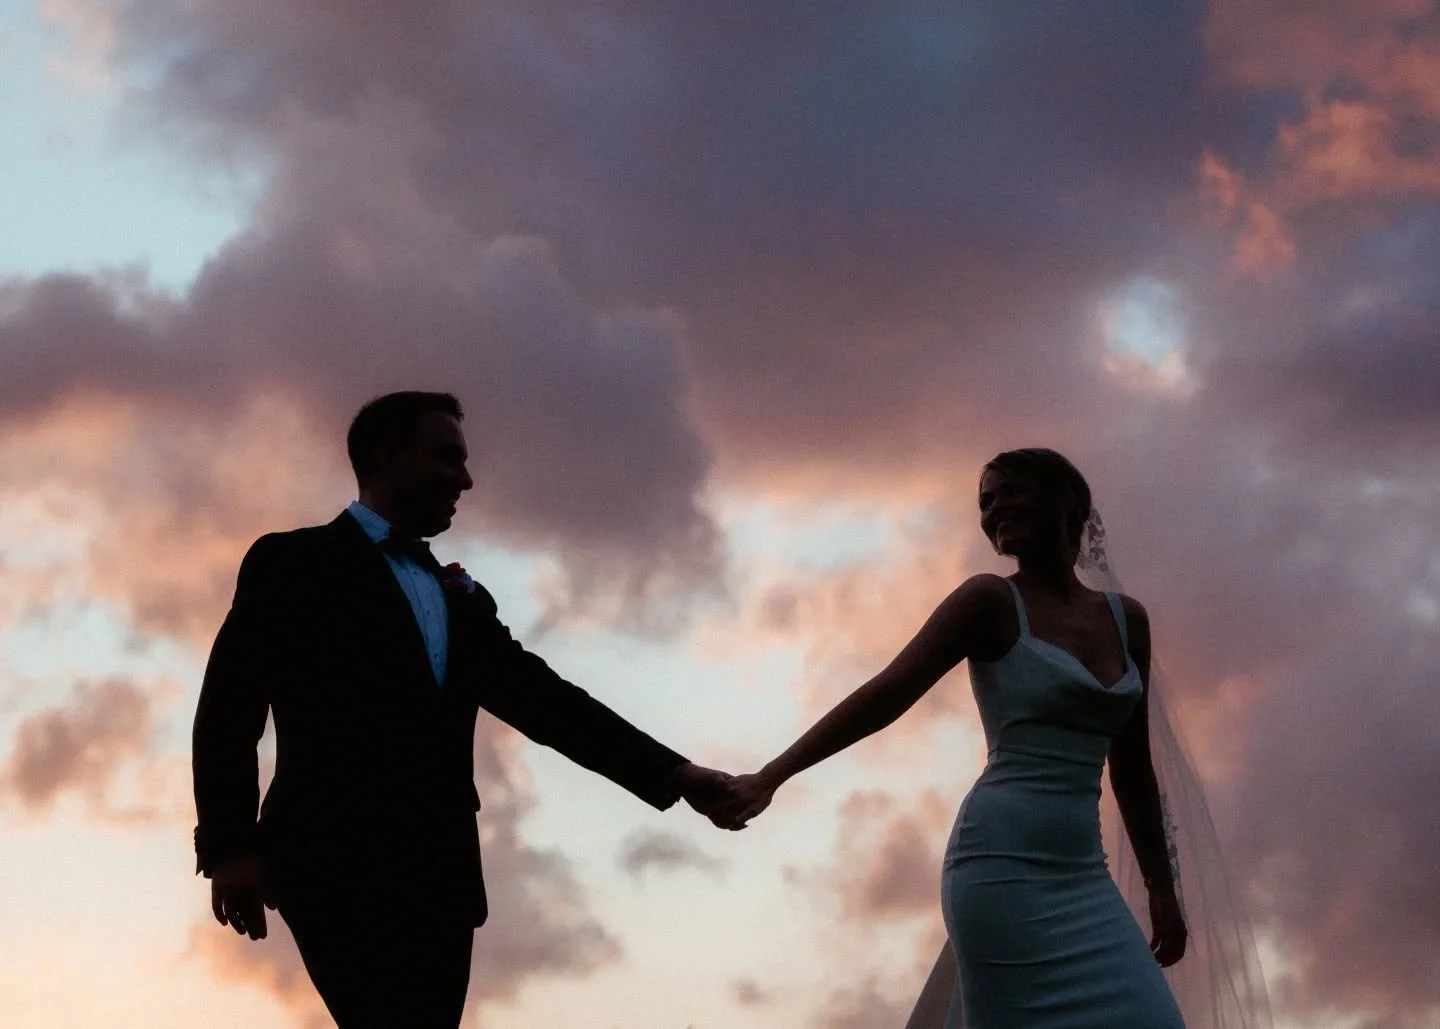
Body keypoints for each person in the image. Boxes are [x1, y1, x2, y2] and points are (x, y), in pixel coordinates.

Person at [192, 390, 736, 1028]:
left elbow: (546, 701)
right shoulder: (293, 563)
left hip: (442, 879)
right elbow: (230, 707)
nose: (466, 479)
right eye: (448, 458)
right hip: (333, 865)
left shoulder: (460, 596)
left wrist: (673, 773)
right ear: (390, 457)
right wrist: (231, 848)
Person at [721, 448, 1191, 1027]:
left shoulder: (1127, 621)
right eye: (985, 502)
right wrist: (772, 775)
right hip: (998, 865)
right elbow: (886, 694)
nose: (994, 510)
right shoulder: (989, 602)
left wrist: (1160, 889)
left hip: (1082, 874)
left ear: (1067, 502)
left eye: (1009, 492)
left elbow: (1133, 766)